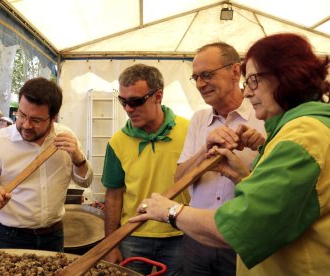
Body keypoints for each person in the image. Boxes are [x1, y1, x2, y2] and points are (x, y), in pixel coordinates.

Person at [130, 33, 330, 275]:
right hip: (202, 237)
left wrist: (169, 210)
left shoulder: (301, 134)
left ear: (286, 76)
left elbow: (247, 225)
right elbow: (281, 201)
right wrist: (236, 173)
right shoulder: (201, 120)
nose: (248, 92)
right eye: (196, 77)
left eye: (254, 80)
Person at [0, 77, 93, 252]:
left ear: (53, 118)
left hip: (54, 235)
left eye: (36, 120)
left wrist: (78, 158)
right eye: (22, 115)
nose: (26, 125)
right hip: (9, 237)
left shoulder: (66, 137)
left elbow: (85, 182)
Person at [174, 42, 265, 275]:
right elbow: (179, 180)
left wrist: (262, 147)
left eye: (207, 75)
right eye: (196, 78)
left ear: (235, 71)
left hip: (242, 239)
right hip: (197, 238)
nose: (200, 84)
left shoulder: (263, 116)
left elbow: (275, 188)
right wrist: (205, 151)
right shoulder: (198, 120)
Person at [101, 64, 190, 275]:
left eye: (135, 101)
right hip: (133, 234)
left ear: (158, 96)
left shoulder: (189, 131)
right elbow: (113, 196)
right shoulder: (117, 142)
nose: (128, 109)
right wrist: (111, 244)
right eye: (123, 101)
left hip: (179, 233)